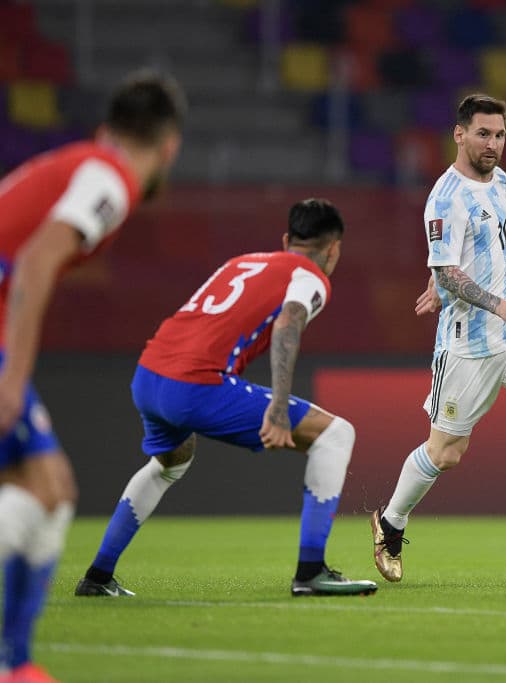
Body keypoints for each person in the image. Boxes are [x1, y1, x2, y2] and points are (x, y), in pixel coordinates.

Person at [74, 199, 377, 599]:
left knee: (169, 464)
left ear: (287, 240)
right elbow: (289, 321)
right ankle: (311, 570)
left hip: (149, 374)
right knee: (336, 434)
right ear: (334, 249)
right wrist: (279, 407)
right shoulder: (311, 276)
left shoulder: (242, 262)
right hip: (194, 383)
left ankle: (97, 577)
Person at [0, 71, 185, 683]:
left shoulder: (81, 164)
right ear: (169, 148)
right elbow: (35, 259)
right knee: (47, 490)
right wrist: (12, 377)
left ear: (108, 129)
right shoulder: (111, 180)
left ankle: (13, 663)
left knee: (48, 488)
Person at [369, 94, 506, 583]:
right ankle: (391, 522)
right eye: (483, 133)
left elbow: (452, 259)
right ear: (459, 134)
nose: (493, 144)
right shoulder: (445, 197)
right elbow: (446, 264)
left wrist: (442, 280)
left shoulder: (500, 181)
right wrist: (451, 284)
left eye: (500, 134)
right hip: (469, 343)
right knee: (446, 453)